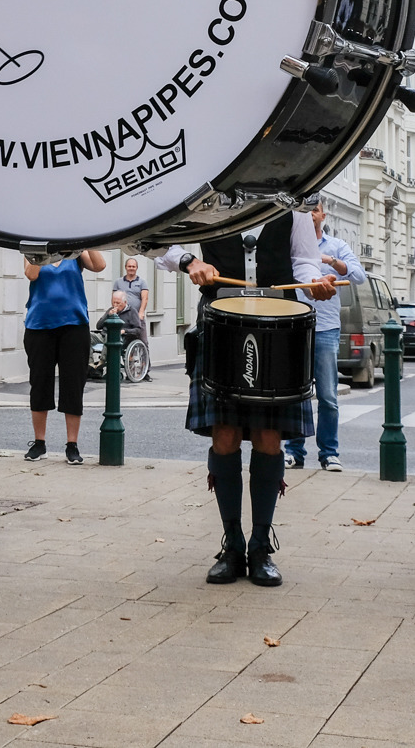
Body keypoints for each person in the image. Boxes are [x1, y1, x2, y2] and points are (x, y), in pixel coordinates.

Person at [155, 210, 337, 587]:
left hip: (278, 326)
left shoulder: (296, 200)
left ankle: (260, 546)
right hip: (221, 324)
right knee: (225, 434)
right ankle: (233, 544)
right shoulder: (208, 194)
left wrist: (312, 282)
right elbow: (155, 242)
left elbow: (303, 260)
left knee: (270, 436)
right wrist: (190, 261)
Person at [285, 194, 363, 472]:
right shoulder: (292, 243)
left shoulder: (337, 245)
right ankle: (294, 450)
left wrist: (331, 261)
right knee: (296, 392)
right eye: (306, 210)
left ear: (322, 216)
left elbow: (358, 275)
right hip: (296, 324)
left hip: (326, 327)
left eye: (314, 211)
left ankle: (329, 453)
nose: (310, 214)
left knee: (328, 395)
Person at [23, 250, 108, 463]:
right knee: (40, 382)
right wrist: (41, 249)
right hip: (39, 325)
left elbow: (99, 266)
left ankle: (72, 445)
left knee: (73, 384)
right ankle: (39, 443)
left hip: (74, 326)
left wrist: (84, 239)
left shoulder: (75, 253)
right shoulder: (34, 248)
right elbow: (31, 274)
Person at [110, 257, 151, 382]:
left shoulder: (142, 282)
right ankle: (128, 370)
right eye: (129, 266)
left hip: (137, 317)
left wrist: (141, 312)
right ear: (126, 267)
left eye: (133, 266)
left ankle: (146, 371)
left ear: (136, 268)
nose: (131, 268)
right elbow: (114, 298)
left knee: (143, 342)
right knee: (124, 343)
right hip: (124, 316)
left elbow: (144, 298)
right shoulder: (118, 282)